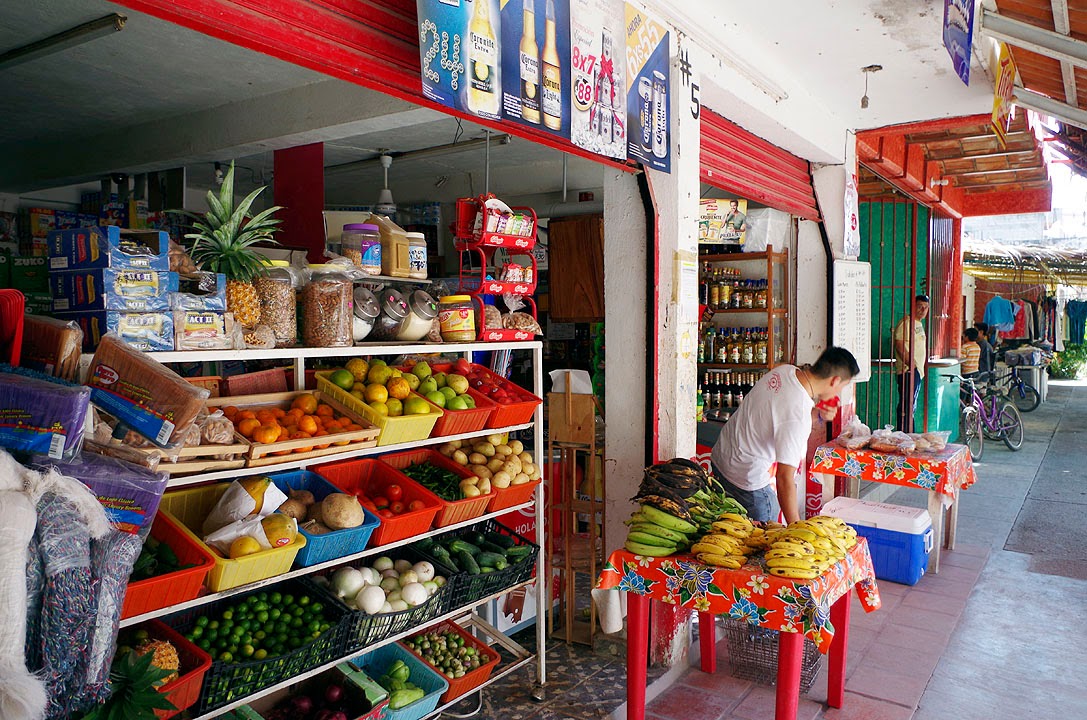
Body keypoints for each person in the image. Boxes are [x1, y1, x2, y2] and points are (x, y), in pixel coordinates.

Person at [710, 347, 860, 523]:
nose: (839, 392)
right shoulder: (798, 415)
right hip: (748, 483)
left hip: (721, 461)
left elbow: (781, 415)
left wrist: (817, 414)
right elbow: (784, 478)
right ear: (835, 381)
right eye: (843, 386)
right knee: (762, 542)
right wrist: (796, 528)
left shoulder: (785, 371)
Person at [893, 294, 929, 432]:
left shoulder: (919, 324)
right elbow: (899, 345)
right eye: (920, 306)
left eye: (925, 308)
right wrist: (911, 365)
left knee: (911, 405)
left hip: (916, 371)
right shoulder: (906, 323)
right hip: (908, 370)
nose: (923, 310)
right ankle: (905, 434)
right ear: (913, 306)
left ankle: (909, 434)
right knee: (906, 405)